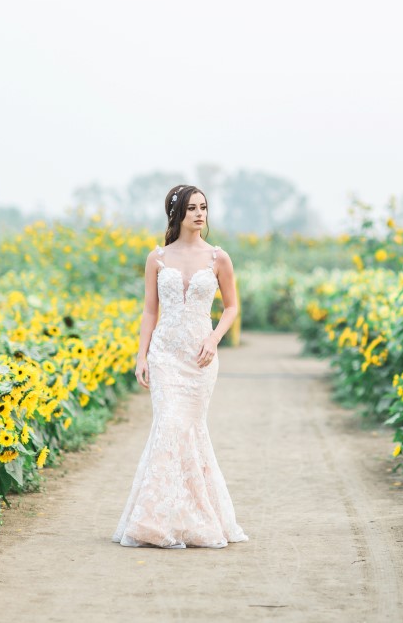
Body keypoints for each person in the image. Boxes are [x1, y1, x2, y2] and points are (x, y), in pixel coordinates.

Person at [111, 184, 248, 549]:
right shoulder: (157, 258)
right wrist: (141, 355)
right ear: (177, 214)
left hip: (200, 358)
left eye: (203, 207)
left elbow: (232, 307)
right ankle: (154, 521)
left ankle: (194, 517)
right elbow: (149, 310)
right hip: (165, 355)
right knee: (169, 427)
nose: (199, 214)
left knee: (190, 431)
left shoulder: (219, 258)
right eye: (191, 208)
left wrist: (214, 338)